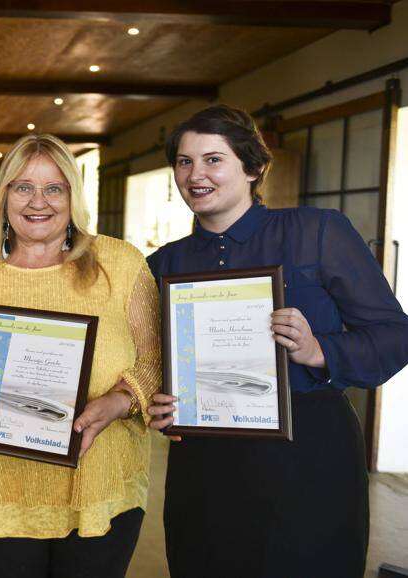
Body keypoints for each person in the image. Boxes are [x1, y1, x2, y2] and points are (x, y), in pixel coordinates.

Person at [146, 105, 408, 578]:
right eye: (184, 162)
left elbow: (394, 336)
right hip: (204, 462)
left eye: (213, 159)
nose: (196, 174)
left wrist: (318, 350)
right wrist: (154, 402)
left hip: (309, 452)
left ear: (253, 168)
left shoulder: (317, 232)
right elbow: (144, 361)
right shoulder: (164, 264)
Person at [0, 133, 161, 578]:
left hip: (99, 488)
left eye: (54, 188)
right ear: (4, 196)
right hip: (1, 491)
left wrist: (120, 400)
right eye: (23, 187)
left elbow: (156, 360)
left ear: (72, 196)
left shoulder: (121, 263)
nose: (38, 201)